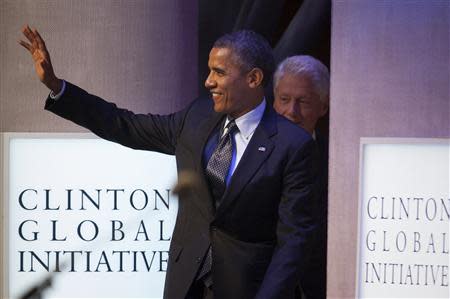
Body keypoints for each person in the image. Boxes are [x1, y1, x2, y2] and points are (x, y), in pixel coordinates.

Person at [20, 26, 319, 299]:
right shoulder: (197, 118)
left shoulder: (293, 145)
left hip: (248, 290)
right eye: (208, 71)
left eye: (219, 72)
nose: (208, 81)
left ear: (253, 79)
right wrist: (58, 87)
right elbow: (124, 124)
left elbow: (293, 242)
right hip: (186, 284)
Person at [273, 55, 329, 299]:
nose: (291, 112)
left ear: (323, 106)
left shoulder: (339, 160)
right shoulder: (248, 154)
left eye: (303, 101)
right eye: (284, 100)